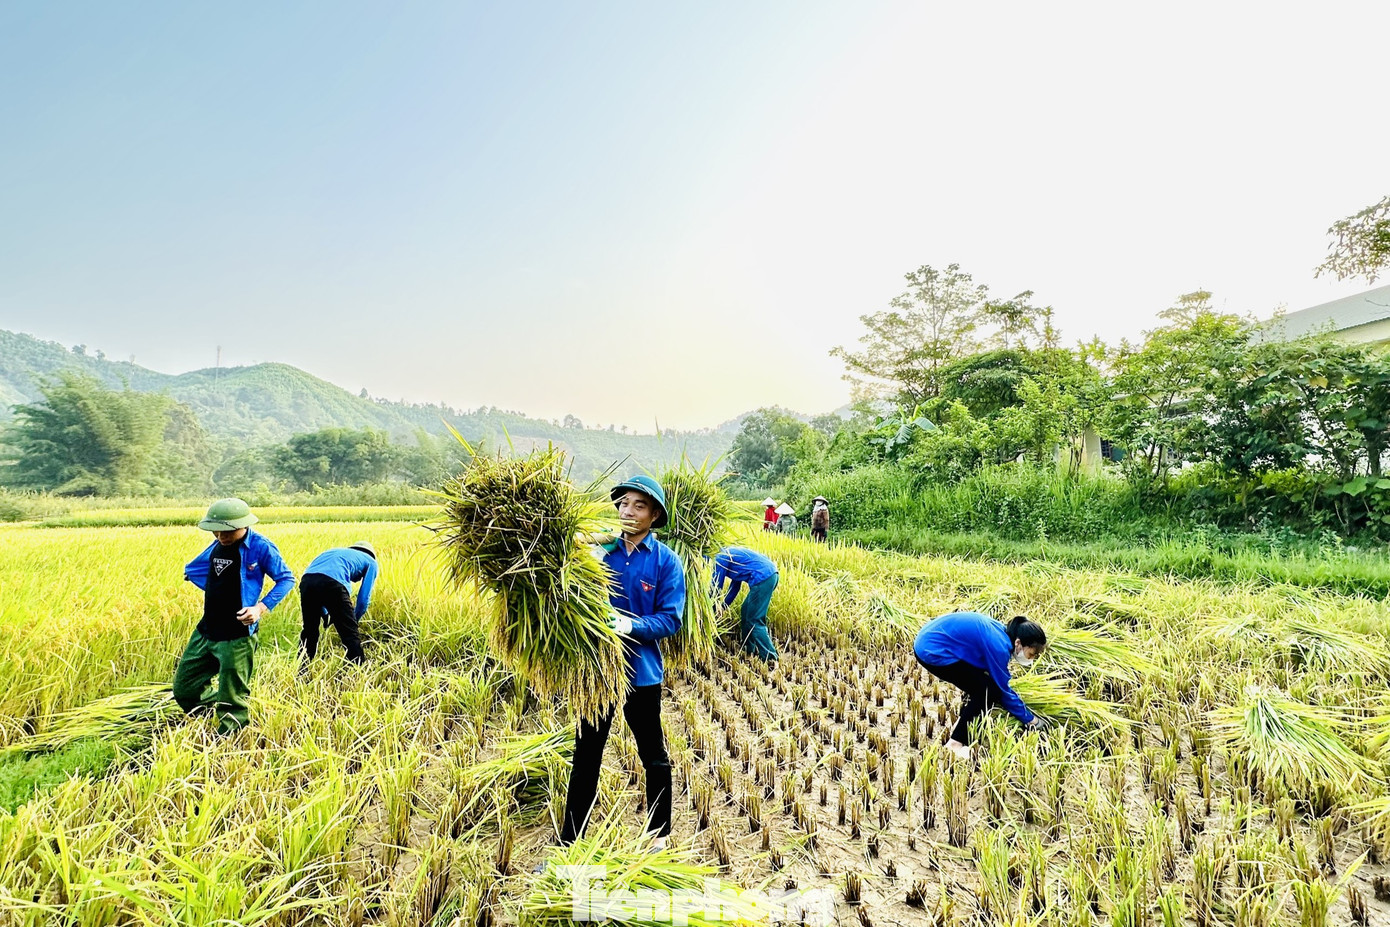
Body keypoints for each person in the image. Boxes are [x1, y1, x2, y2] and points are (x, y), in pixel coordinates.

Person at [559, 475, 685, 851]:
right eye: (623, 504)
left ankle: (658, 836)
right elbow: (564, 588)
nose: (628, 512)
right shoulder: (600, 551)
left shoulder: (666, 562)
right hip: (596, 672)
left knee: (653, 755)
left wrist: (631, 624)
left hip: (641, 672)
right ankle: (571, 841)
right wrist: (581, 558)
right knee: (586, 757)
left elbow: (671, 619)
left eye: (639, 506)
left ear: (654, 515)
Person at [173, 498, 295, 734]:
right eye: (216, 531)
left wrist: (259, 609)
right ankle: (208, 713)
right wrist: (206, 582)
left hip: (237, 635)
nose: (221, 536)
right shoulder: (217, 544)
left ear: (244, 525)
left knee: (232, 697)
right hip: (206, 629)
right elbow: (195, 568)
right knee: (184, 688)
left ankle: (230, 739)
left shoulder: (261, 547)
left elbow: (286, 579)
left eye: (227, 531)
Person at [913, 612, 1049, 760]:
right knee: (988, 692)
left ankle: (965, 717)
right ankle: (955, 744)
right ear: (1018, 643)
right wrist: (1030, 720)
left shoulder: (1002, 633)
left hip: (930, 638)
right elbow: (1003, 690)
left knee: (982, 684)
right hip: (931, 650)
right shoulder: (999, 647)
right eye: (1031, 654)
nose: (1031, 659)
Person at [299, 541, 379, 664]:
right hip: (333, 584)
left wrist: (325, 615)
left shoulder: (335, 552)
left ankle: (301, 670)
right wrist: (353, 620)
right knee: (350, 635)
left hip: (307, 581)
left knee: (309, 631)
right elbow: (363, 600)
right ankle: (359, 671)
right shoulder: (371, 561)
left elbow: (319, 582)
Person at [711, 546, 780, 662]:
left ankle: (771, 658)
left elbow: (716, 586)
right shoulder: (729, 554)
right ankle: (749, 649)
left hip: (763, 577)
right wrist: (723, 606)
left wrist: (712, 608)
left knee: (754, 619)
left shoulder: (720, 557)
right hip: (771, 574)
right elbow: (735, 587)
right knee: (745, 610)